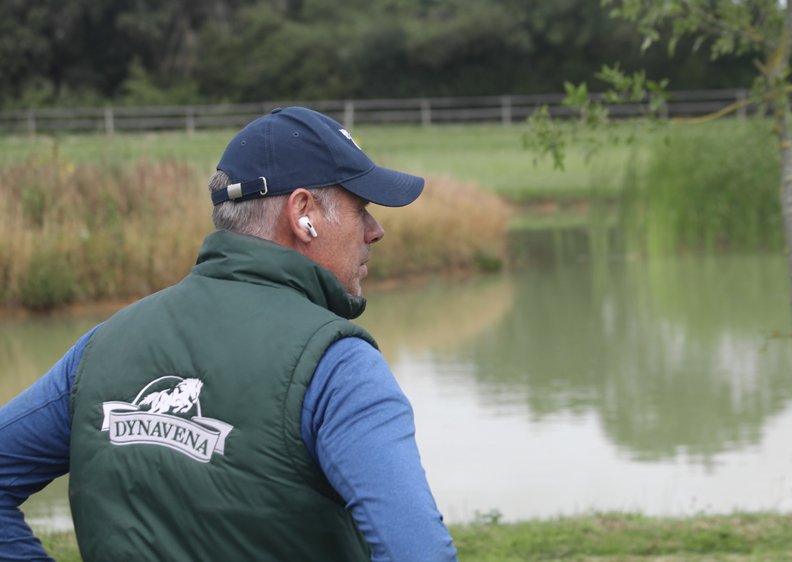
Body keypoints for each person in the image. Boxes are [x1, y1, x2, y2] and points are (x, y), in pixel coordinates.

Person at [0, 107, 459, 561]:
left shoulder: (102, 347)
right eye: (360, 209)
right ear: (303, 214)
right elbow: (419, 553)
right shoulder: (339, 365)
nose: (376, 231)